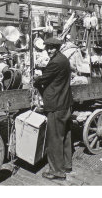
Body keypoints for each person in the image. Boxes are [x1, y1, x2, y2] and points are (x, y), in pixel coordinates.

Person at [33, 37, 73, 180]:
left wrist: (36, 79)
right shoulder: (63, 59)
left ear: (58, 48)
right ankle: (67, 165)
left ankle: (57, 171)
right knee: (66, 135)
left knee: (55, 139)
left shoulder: (55, 62)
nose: (49, 50)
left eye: (52, 48)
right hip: (65, 103)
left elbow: (43, 79)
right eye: (47, 48)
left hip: (56, 105)